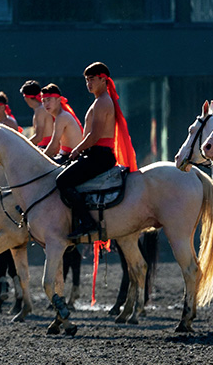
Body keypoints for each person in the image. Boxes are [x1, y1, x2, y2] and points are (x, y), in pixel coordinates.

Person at [56, 62, 138, 240]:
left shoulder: (102, 102)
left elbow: (95, 135)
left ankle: (87, 222)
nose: (88, 83)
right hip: (95, 154)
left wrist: (77, 149)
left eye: (92, 79)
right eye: (87, 80)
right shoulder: (100, 101)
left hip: (100, 156)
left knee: (62, 181)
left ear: (103, 80)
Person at [40, 84, 83, 163]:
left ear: (58, 100)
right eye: (43, 101)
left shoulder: (62, 116)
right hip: (66, 156)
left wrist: (40, 159)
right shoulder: (60, 116)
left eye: (49, 100)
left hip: (71, 158)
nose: (46, 104)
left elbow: (53, 147)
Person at [21, 80, 53, 149]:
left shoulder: (40, 110)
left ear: (26, 97)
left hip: (46, 148)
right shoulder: (41, 108)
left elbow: (38, 137)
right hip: (45, 146)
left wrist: (22, 146)